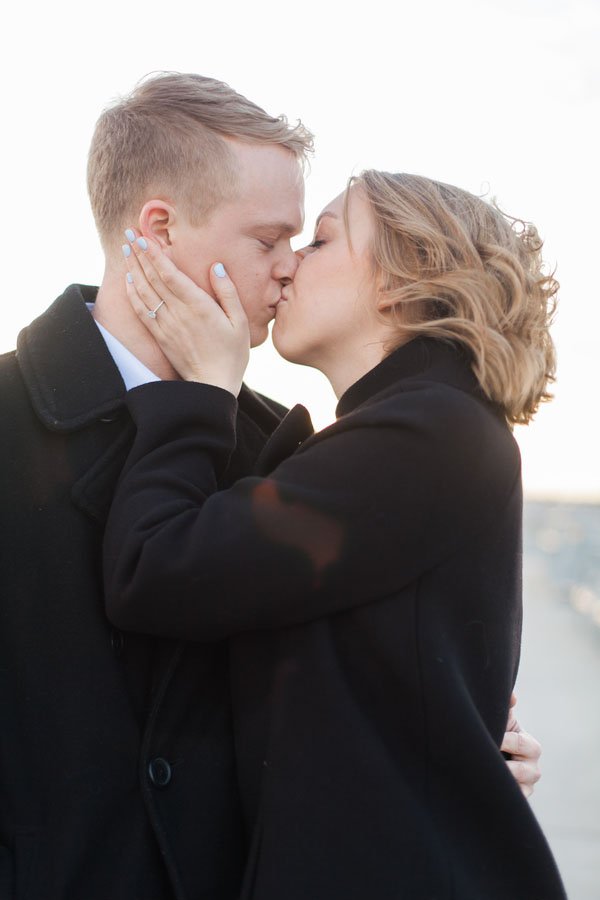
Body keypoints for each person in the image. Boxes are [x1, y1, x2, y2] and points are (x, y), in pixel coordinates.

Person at [0, 69, 540, 898]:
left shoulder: (289, 450)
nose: (288, 269)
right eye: (269, 241)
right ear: (159, 229)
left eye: (309, 242)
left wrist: (459, 746)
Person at [103, 171, 566, 899]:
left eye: (319, 241)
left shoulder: (429, 433)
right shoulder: (426, 430)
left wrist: (198, 395)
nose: (287, 263)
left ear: (404, 281)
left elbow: (156, 569)